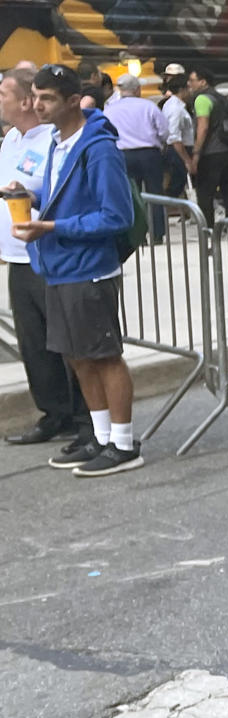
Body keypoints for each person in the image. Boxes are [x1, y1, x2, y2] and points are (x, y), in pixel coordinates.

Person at [10, 64, 141, 475]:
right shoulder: (56, 142)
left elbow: (114, 215)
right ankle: (99, 437)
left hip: (88, 268)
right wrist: (30, 197)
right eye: (34, 96)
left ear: (72, 101)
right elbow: (63, 196)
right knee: (77, 357)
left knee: (103, 356)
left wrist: (51, 226)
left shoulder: (98, 147)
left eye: (47, 98)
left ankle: (123, 443)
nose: (38, 105)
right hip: (59, 265)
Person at [1, 68, 85, 446]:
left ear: (25, 101)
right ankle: (54, 413)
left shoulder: (49, 141)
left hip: (46, 252)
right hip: (16, 257)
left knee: (67, 341)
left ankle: (86, 417)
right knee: (33, 343)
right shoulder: (9, 141)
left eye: (3, 93)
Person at [103, 74, 169, 242]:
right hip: (149, 153)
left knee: (132, 195)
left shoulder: (110, 109)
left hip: (123, 154)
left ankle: (138, 235)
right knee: (155, 193)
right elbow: (164, 131)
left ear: (120, 90)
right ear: (137, 89)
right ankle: (158, 233)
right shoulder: (149, 106)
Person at [186, 65, 228, 224]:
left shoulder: (202, 99)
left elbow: (202, 128)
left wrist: (196, 154)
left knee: (205, 193)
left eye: (192, 80)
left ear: (203, 82)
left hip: (211, 153)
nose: (189, 84)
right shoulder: (220, 97)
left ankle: (208, 229)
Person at [160, 70, 194, 203]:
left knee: (179, 184)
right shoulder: (176, 108)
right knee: (176, 185)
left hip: (178, 150)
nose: (191, 91)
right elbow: (174, 137)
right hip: (178, 151)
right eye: (188, 88)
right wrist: (186, 159)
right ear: (182, 89)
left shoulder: (174, 105)